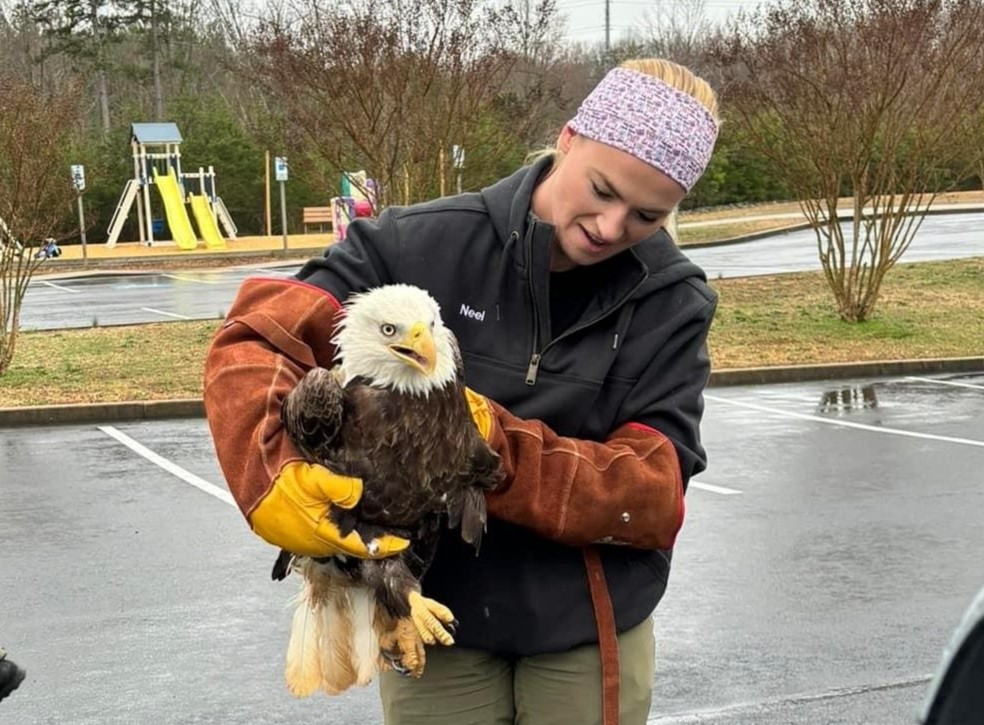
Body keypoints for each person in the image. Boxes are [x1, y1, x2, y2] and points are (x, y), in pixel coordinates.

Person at [204, 57, 720, 725]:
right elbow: (256, 338)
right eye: (601, 189)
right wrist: (267, 472)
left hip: (586, 619)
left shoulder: (670, 300)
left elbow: (653, 489)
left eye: (648, 214)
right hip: (428, 605)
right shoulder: (415, 243)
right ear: (569, 138)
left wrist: (486, 448)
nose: (612, 226)